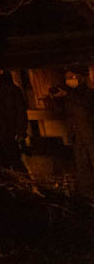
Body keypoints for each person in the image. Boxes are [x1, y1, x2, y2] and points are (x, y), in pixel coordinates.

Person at [48, 67, 94, 198]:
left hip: (90, 134)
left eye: (71, 77)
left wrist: (68, 95)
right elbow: (63, 113)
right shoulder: (68, 95)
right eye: (67, 78)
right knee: (82, 167)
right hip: (76, 135)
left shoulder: (87, 92)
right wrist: (55, 99)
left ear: (79, 77)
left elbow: (86, 105)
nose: (69, 80)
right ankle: (88, 196)